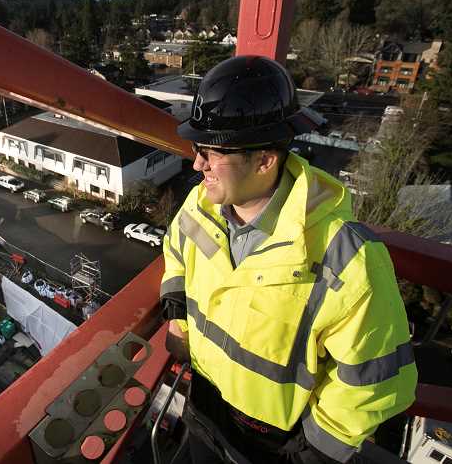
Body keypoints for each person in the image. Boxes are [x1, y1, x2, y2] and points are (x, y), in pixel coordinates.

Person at [160, 56, 417, 464]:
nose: (196, 164)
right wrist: (178, 322)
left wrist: (317, 449)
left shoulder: (347, 259)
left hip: (269, 445)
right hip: (204, 410)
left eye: (212, 152)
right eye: (198, 148)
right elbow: (176, 253)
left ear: (265, 161)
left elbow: (376, 380)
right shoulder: (200, 206)